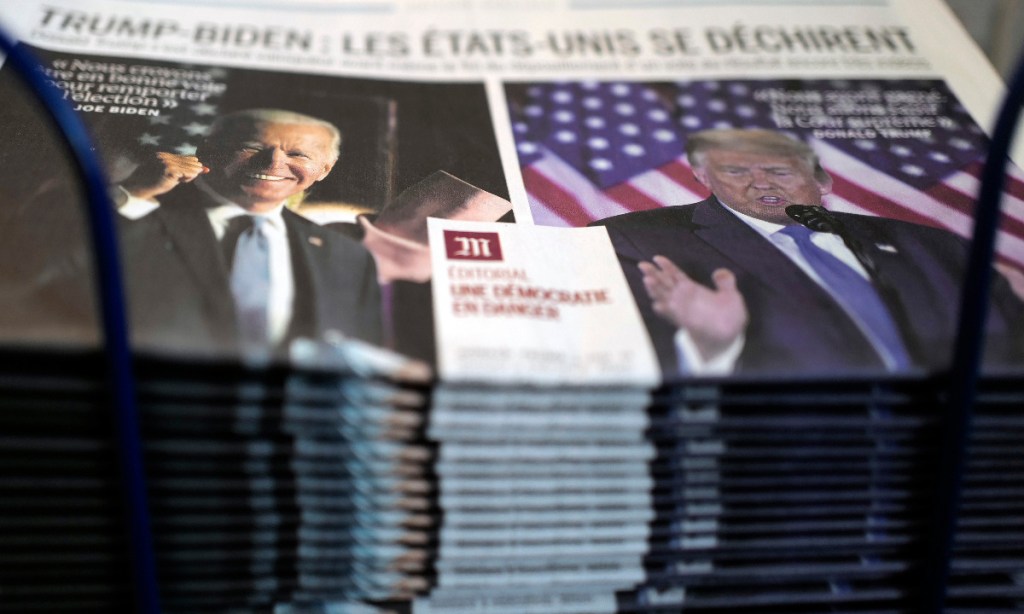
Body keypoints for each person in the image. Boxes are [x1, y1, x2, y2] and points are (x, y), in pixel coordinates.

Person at [593, 128, 1023, 378]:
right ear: (703, 176)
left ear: (823, 181)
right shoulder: (634, 240)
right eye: (736, 171)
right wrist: (708, 346)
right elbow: (610, 367)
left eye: (780, 172)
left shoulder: (935, 248)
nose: (761, 184)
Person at [115, 108, 382, 359]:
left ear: (326, 169)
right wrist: (132, 194)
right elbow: (75, 267)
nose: (273, 162)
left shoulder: (347, 256)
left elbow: (359, 352)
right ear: (207, 150)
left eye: (298, 154)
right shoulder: (136, 209)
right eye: (251, 147)